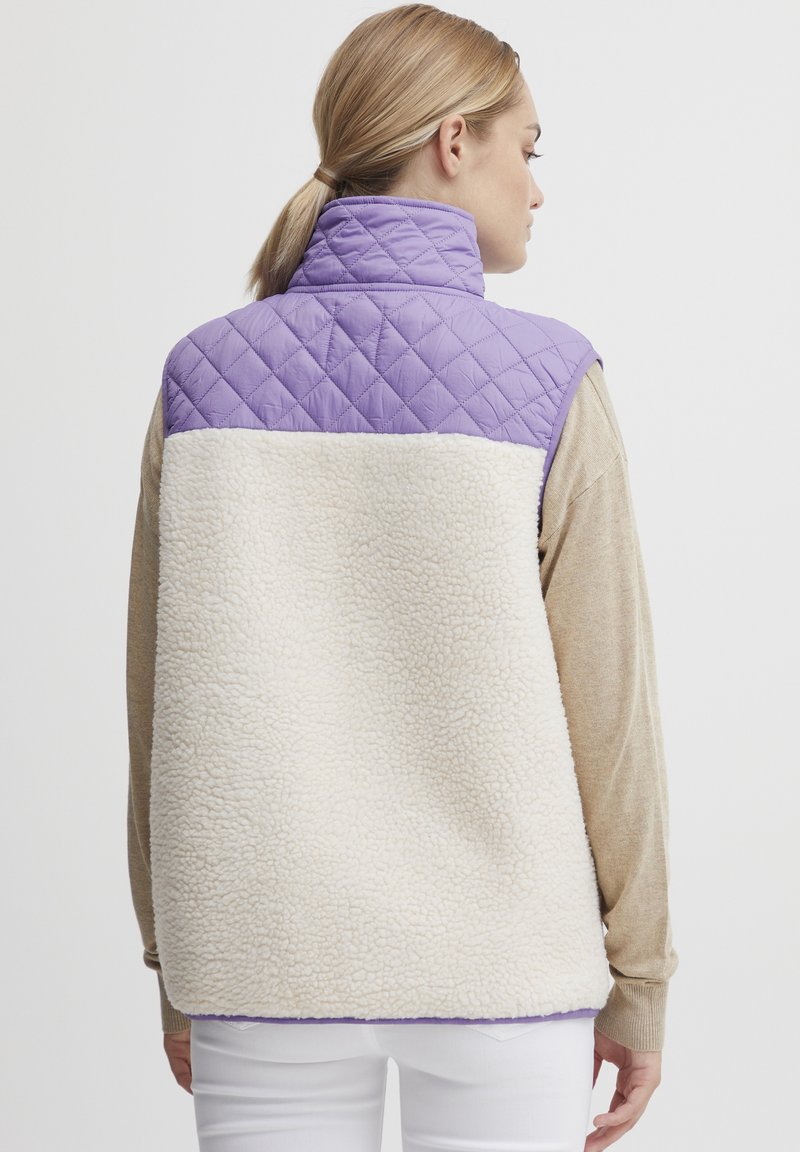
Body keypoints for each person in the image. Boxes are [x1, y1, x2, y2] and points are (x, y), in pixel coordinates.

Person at [125, 5, 679, 1150]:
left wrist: (177, 960)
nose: (537, 188)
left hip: (259, 961)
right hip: (504, 971)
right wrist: (639, 978)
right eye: (527, 147)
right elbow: (611, 717)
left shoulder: (199, 377)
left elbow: (156, 708)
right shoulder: (552, 381)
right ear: (452, 141)